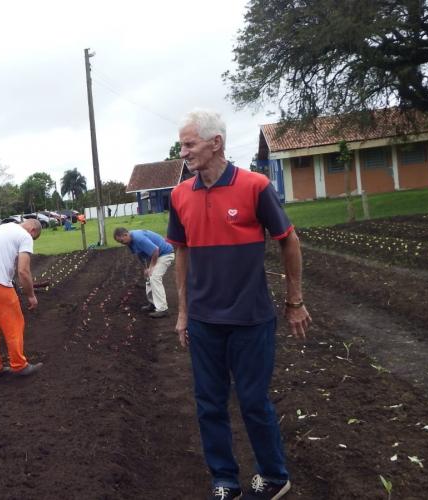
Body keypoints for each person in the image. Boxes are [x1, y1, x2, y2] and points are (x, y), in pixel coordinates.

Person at [167, 110, 312, 500]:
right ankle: (225, 481)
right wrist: (183, 312)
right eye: (182, 144)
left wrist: (294, 300)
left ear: (216, 143)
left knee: (252, 401)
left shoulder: (255, 186)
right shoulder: (180, 195)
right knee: (209, 404)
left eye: (189, 143)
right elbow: (181, 253)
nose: (183, 152)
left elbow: (288, 240)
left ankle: (274, 476)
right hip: (204, 320)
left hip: (251, 319)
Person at [0, 218, 43, 379]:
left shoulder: (0, 228)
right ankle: (19, 365)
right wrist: (31, 296)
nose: (31, 240)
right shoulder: (25, 236)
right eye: (34, 238)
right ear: (33, 230)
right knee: (15, 323)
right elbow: (23, 271)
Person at [113, 227, 174, 318]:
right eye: (120, 242)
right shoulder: (129, 242)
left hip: (165, 254)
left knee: (155, 277)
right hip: (157, 255)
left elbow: (155, 250)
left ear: (126, 235)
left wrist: (152, 267)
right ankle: (153, 303)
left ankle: (162, 309)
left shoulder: (139, 238)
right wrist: (146, 268)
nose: (122, 243)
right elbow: (140, 255)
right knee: (149, 277)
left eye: (121, 241)